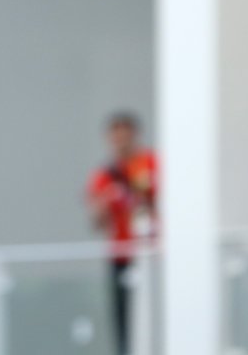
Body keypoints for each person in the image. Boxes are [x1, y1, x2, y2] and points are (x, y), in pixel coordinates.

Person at [86, 112, 157, 355]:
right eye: (116, 137)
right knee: (124, 321)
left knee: (156, 312)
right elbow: (96, 221)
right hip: (121, 256)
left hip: (153, 253)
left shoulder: (150, 163)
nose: (121, 142)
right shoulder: (104, 176)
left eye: (126, 136)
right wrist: (104, 202)